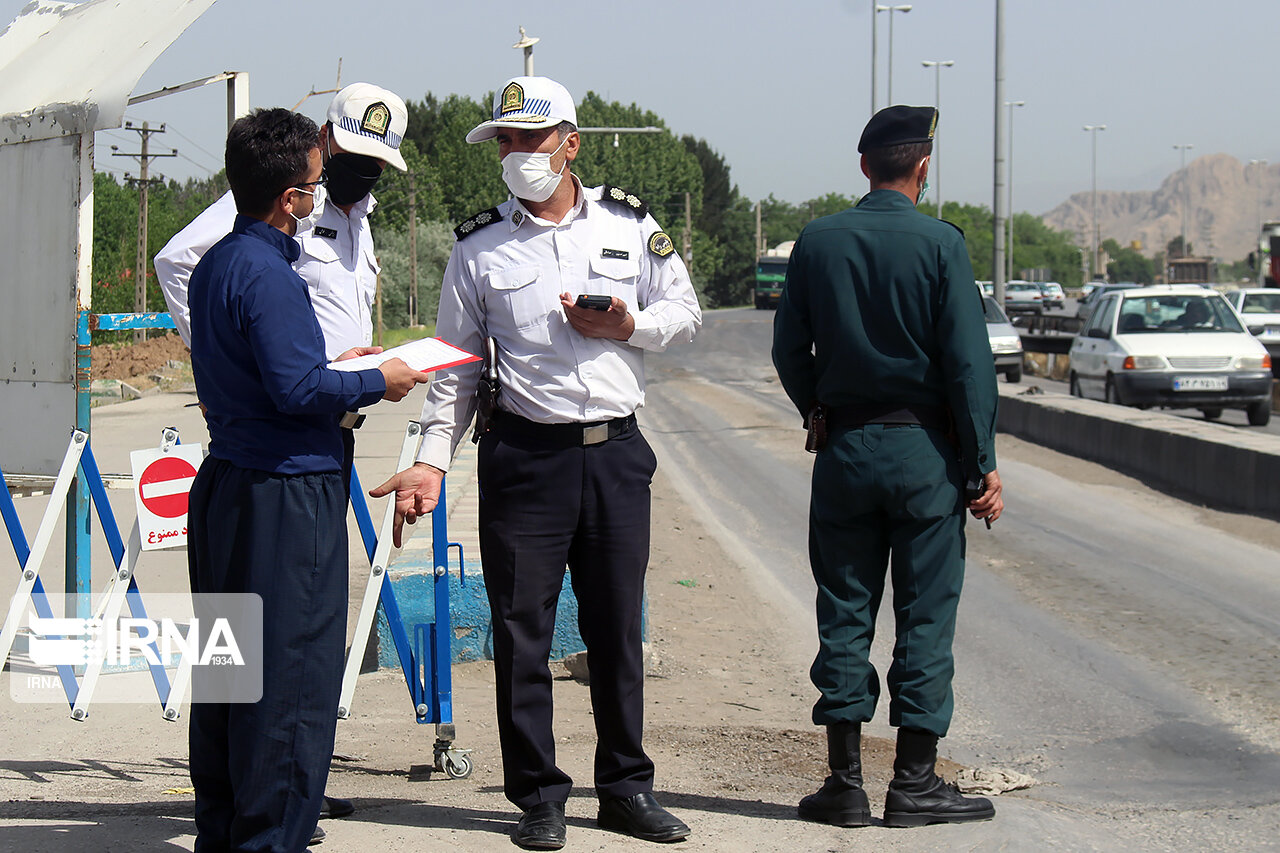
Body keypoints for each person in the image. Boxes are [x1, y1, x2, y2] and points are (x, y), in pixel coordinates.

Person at [371, 76, 701, 850]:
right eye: (507, 142)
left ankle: (626, 788)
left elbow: (685, 314)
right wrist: (430, 461)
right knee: (523, 633)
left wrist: (629, 325)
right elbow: (452, 369)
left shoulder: (629, 224)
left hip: (616, 454)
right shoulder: (479, 247)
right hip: (525, 459)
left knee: (616, 628)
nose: (517, 154)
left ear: (570, 144)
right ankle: (538, 797)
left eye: (530, 139)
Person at [157, 84, 408, 837]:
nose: (320, 194)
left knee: (229, 670)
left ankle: (226, 826)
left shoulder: (222, 266)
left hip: (232, 478)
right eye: (314, 182)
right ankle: (272, 832)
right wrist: (378, 378)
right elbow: (299, 383)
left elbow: (277, 365)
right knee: (291, 677)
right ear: (290, 195)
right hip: (286, 489)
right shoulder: (270, 272)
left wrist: (338, 365)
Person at [771, 105, 1003, 830]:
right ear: (923, 167)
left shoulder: (817, 241)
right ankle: (914, 782)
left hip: (844, 451)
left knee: (843, 612)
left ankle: (844, 784)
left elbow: (787, 350)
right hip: (924, 455)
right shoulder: (941, 245)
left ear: (865, 165)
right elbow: (969, 368)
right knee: (925, 615)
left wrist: (819, 409)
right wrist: (981, 467)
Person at [157, 81, 409, 489]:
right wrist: (222, 369)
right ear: (325, 138)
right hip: (283, 431)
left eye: (374, 162)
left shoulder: (361, 219)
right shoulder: (290, 196)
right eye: (352, 154)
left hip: (333, 423)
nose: (361, 169)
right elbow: (178, 260)